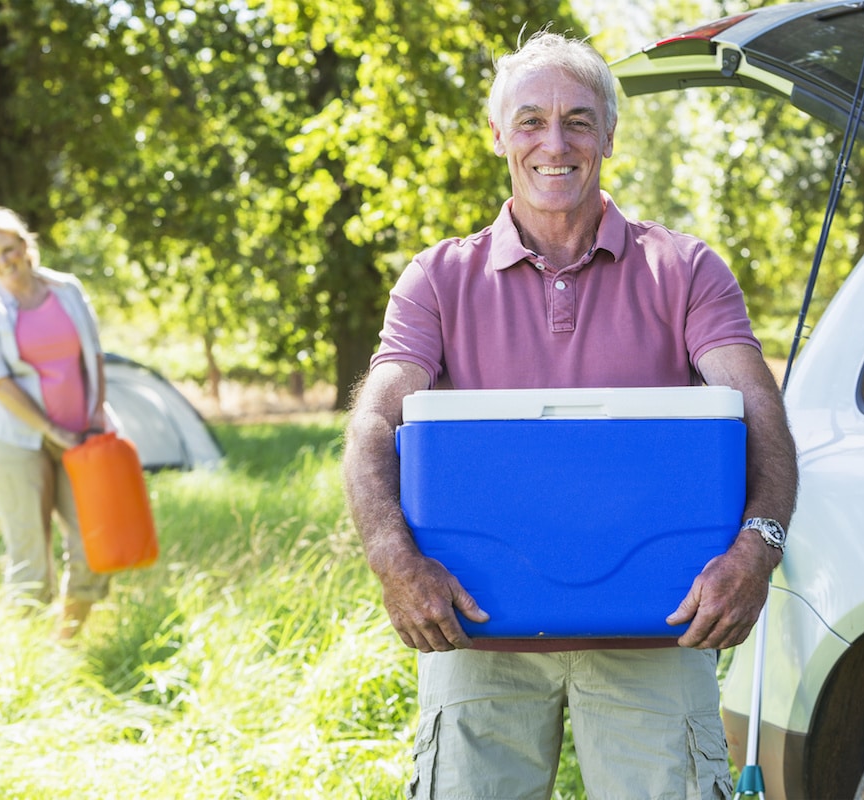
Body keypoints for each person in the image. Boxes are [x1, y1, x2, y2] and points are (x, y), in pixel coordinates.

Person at [342, 31, 799, 799]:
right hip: (476, 628)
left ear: (610, 136)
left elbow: (762, 418)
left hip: (658, 628)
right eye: (530, 121)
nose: (555, 143)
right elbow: (371, 427)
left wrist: (756, 550)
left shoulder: (684, 270)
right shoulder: (437, 278)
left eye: (580, 121)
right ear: (498, 136)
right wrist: (394, 560)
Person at [0, 206, 111, 640]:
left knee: (93, 543)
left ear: (26, 244)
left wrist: (97, 412)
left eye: (9, 249)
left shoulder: (67, 288)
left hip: (82, 436)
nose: (3, 261)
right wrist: (52, 431)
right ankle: (27, 659)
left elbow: (95, 356)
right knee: (30, 552)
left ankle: (66, 644)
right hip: (17, 441)